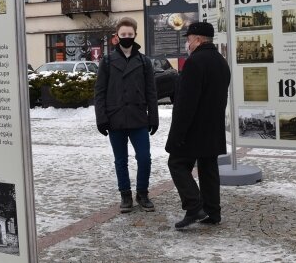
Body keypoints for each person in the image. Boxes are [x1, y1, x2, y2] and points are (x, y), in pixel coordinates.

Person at [166, 21, 231, 229]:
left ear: (198, 39)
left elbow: (186, 104)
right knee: (208, 168)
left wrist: (177, 134)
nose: (187, 44)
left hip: (194, 129)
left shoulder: (195, 63)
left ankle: (194, 206)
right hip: (213, 127)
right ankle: (213, 211)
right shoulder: (221, 61)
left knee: (176, 163)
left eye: (188, 39)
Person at [95, 17, 159, 213]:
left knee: (144, 158)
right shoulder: (107, 61)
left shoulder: (144, 61)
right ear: (117, 36)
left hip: (138, 117)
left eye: (130, 35)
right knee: (120, 160)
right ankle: (125, 195)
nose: (126, 37)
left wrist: (153, 118)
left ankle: (142, 193)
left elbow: (151, 92)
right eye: (123, 35)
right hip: (116, 118)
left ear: (135, 35)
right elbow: (100, 92)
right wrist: (101, 119)